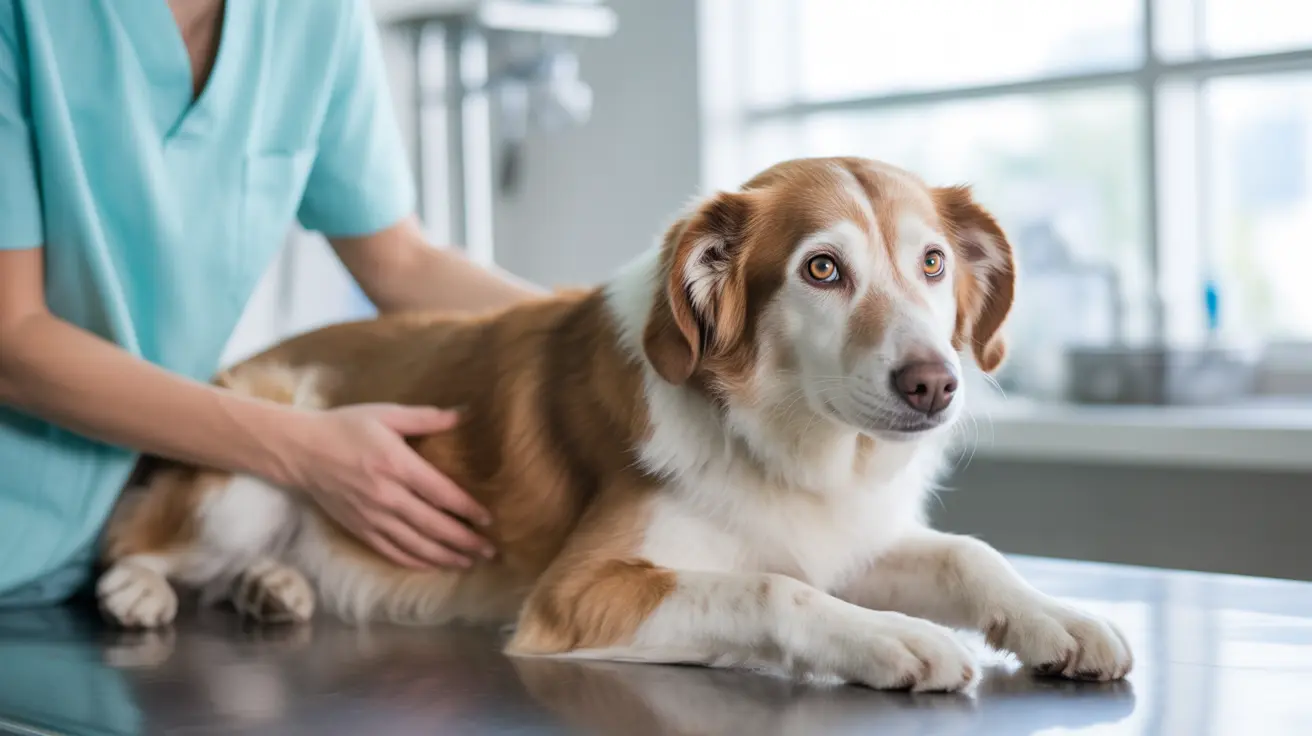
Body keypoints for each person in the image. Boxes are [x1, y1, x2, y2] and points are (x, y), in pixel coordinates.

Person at [0, 0, 543, 606]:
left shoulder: (314, 18)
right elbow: (11, 340)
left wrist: (599, 326)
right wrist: (304, 448)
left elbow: (401, 263)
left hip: (127, 540)